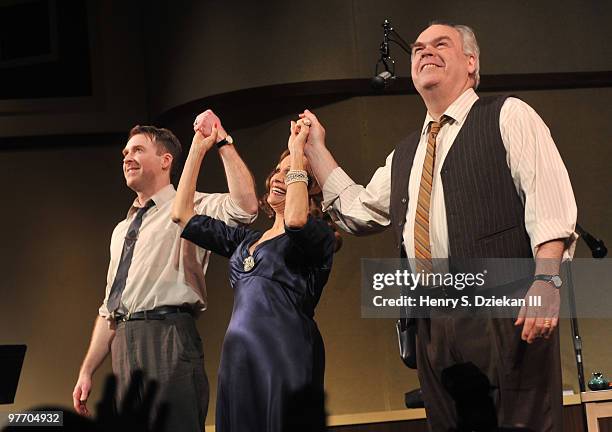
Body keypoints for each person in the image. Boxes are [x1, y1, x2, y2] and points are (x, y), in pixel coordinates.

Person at [300, 22, 577, 432]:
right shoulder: (407, 152)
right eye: (417, 49)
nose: (425, 52)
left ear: (471, 63)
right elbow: (358, 209)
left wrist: (547, 282)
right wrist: (316, 150)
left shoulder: (508, 114)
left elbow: (549, 201)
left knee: (522, 423)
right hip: (432, 321)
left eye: (440, 44)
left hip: (504, 310)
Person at [72, 113, 258, 432]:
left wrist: (222, 141)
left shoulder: (193, 206)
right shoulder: (121, 230)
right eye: (125, 153)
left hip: (168, 334)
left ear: (165, 160)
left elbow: (246, 207)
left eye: (138, 150)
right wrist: (87, 369)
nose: (127, 157)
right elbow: (109, 309)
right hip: (124, 343)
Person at [171, 118, 340, 431]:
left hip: (284, 355)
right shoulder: (244, 240)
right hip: (239, 358)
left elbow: (296, 220)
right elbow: (181, 214)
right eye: (278, 170)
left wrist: (297, 150)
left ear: (310, 186)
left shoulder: (319, 235)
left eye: (291, 174)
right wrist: (200, 146)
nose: (278, 178)